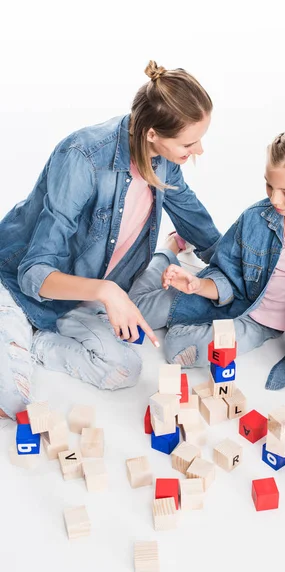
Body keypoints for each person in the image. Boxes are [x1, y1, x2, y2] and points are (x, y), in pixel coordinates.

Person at [0, 60, 221, 420]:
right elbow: (33, 273)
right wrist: (107, 292)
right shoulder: (82, 158)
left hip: (79, 296)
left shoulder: (163, 159)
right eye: (190, 142)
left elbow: (196, 220)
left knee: (124, 371)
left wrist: (236, 272)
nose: (198, 151)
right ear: (152, 133)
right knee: (11, 403)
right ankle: (22, 331)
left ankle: (37, 341)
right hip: (17, 282)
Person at [130, 129, 285, 394]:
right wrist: (196, 286)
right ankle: (169, 250)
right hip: (230, 296)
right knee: (133, 313)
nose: (274, 199)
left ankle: (181, 302)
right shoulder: (256, 217)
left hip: (260, 323)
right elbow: (228, 274)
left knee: (177, 351)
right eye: (270, 185)